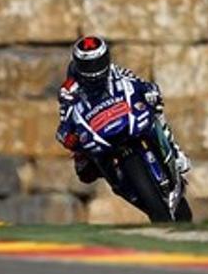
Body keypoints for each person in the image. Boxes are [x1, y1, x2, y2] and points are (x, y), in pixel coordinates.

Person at [56, 35, 191, 183]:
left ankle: (174, 151)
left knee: (156, 109)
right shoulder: (68, 90)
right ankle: (112, 174)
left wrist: (149, 92)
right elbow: (65, 119)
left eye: (98, 63)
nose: (94, 70)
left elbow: (138, 83)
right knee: (84, 172)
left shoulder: (115, 71)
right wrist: (68, 137)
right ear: (77, 65)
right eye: (88, 65)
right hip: (96, 127)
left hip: (121, 116)